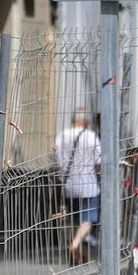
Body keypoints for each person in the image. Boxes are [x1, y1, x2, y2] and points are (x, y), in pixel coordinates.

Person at [54, 107, 101, 265]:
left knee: (76, 220)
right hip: (88, 184)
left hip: (69, 183)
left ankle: (78, 255)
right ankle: (74, 245)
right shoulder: (91, 136)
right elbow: (99, 161)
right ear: (86, 121)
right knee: (88, 220)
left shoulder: (62, 136)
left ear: (73, 120)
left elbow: (56, 158)